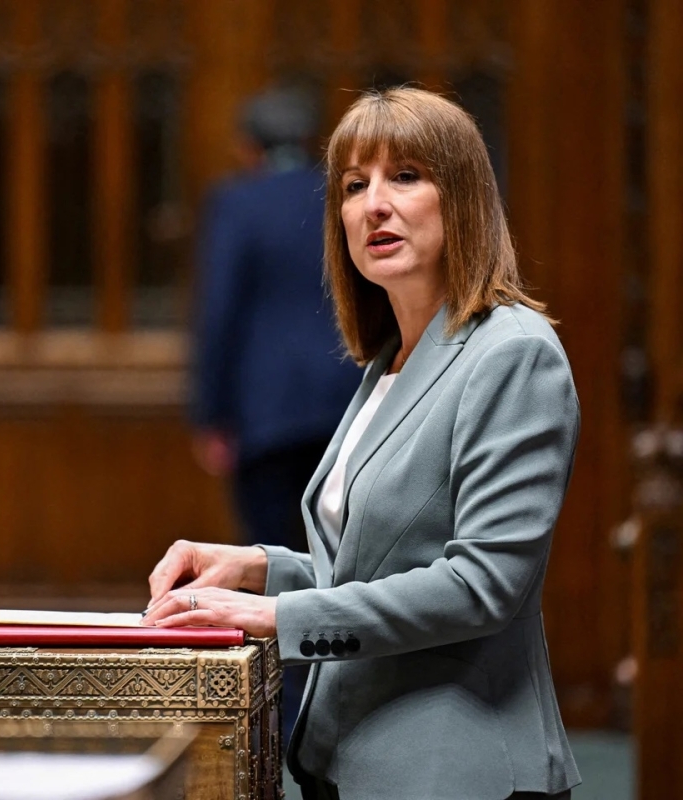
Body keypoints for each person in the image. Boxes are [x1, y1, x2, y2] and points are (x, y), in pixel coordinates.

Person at [144, 87, 580, 800]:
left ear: (463, 198)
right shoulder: (390, 360)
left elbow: (481, 585)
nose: (374, 204)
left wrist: (276, 617)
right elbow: (378, 564)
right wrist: (259, 568)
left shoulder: (512, 352)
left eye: (404, 176)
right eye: (353, 185)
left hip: (453, 770)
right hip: (351, 761)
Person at [189, 86, 364, 746]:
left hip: (263, 411)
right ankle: (343, 709)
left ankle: (287, 718)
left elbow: (219, 312)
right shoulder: (339, 196)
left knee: (266, 564)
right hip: (347, 402)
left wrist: (212, 415)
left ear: (247, 147)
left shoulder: (236, 201)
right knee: (345, 562)